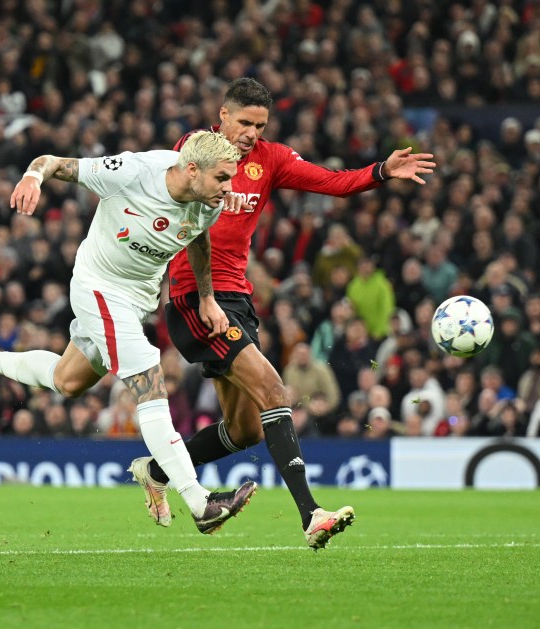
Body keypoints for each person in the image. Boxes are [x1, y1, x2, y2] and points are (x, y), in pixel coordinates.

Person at [129, 77, 435, 549]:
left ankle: (156, 470)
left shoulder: (270, 159)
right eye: (245, 122)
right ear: (224, 115)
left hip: (238, 300)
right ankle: (311, 514)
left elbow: (329, 182)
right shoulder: (193, 151)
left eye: (260, 124)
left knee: (246, 429)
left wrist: (379, 171)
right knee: (275, 389)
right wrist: (206, 297)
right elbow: (185, 226)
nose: (252, 132)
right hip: (196, 299)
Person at [0, 131, 257, 534]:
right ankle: (199, 502)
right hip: (98, 287)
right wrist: (33, 178)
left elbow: (198, 240)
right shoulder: (133, 172)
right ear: (191, 169)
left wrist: (207, 298)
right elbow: (52, 161)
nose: (230, 189)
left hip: (137, 298)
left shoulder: (207, 200)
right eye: (223, 179)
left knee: (67, 381)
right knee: (149, 379)